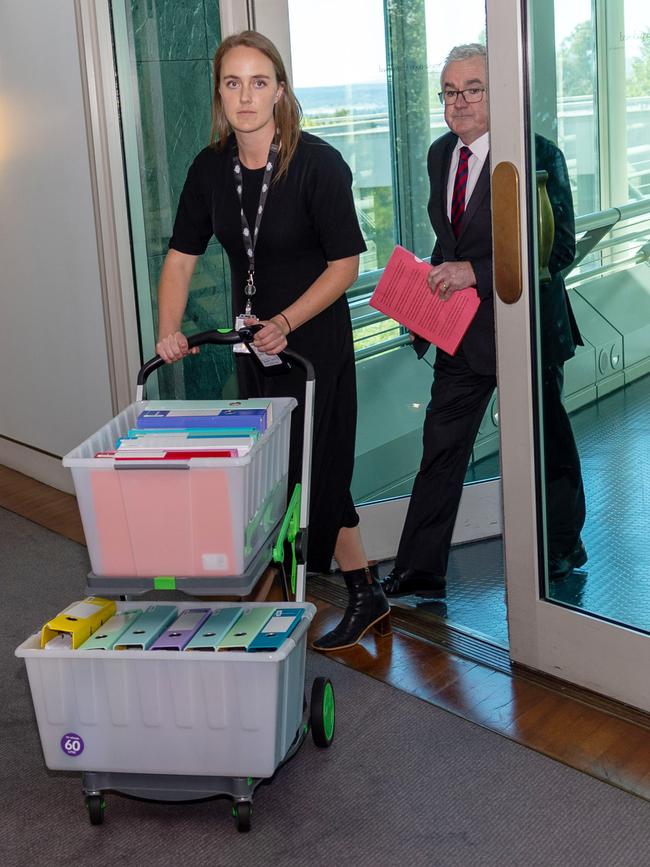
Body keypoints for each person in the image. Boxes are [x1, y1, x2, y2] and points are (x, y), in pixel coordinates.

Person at [155, 30, 390, 651]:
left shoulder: (317, 163)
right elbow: (181, 257)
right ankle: (353, 589)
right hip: (251, 347)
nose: (246, 96)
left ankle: (319, 594)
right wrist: (168, 331)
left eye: (259, 82)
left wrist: (286, 321)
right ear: (220, 95)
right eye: (232, 83)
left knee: (318, 469)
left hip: (313, 345)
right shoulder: (210, 169)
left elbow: (345, 266)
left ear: (280, 90)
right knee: (279, 475)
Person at [380, 43, 586, 599]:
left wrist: (475, 271)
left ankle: (562, 546)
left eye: (473, 89)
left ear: (499, 93)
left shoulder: (536, 155)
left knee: (547, 444)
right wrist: (431, 277)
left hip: (526, 331)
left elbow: (556, 249)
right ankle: (420, 569)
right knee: (440, 449)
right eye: (450, 92)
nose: (460, 103)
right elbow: (450, 237)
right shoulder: (439, 154)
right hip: (461, 333)